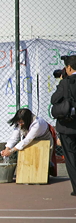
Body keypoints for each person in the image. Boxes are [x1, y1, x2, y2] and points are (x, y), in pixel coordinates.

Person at [0, 108, 55, 174]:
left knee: (43, 161)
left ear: (27, 120)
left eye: (22, 122)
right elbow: (14, 137)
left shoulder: (37, 123)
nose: (20, 124)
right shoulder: (19, 123)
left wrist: (11, 151)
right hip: (30, 140)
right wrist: (7, 149)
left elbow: (27, 140)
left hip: (44, 140)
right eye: (18, 122)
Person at [51, 55, 76, 197]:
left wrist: (61, 83)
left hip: (67, 126)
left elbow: (54, 99)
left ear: (69, 68)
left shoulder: (65, 83)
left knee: (71, 157)